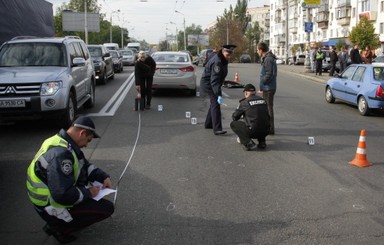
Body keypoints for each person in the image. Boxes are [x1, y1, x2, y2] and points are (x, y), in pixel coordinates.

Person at [26, 116, 114, 243]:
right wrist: (89, 192)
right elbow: (62, 194)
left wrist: (103, 176)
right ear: (82, 133)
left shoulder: (62, 142)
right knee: (106, 208)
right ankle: (58, 227)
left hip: (50, 196)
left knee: (87, 193)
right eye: (88, 141)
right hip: (49, 204)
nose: (86, 145)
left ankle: (62, 222)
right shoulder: (61, 155)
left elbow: (84, 165)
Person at [200, 44, 237, 135]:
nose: (229, 57)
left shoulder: (223, 59)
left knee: (213, 103)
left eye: (230, 54)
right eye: (227, 54)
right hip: (209, 84)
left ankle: (208, 124)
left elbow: (220, 76)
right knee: (216, 103)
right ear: (223, 52)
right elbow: (214, 80)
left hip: (213, 83)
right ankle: (217, 128)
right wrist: (219, 94)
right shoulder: (218, 62)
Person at [230, 84, 270, 151]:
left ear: (245, 92)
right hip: (266, 130)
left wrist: (239, 108)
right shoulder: (263, 100)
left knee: (233, 124)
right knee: (261, 120)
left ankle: (248, 143)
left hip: (253, 131)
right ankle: (262, 142)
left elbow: (235, 117)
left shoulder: (244, 102)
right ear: (255, 92)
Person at [257, 42, 277, 135]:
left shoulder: (268, 59)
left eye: (257, 50)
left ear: (261, 50)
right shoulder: (267, 58)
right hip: (268, 87)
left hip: (268, 87)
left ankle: (270, 128)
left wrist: (263, 82)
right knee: (267, 108)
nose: (257, 52)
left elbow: (269, 74)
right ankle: (268, 127)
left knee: (269, 108)